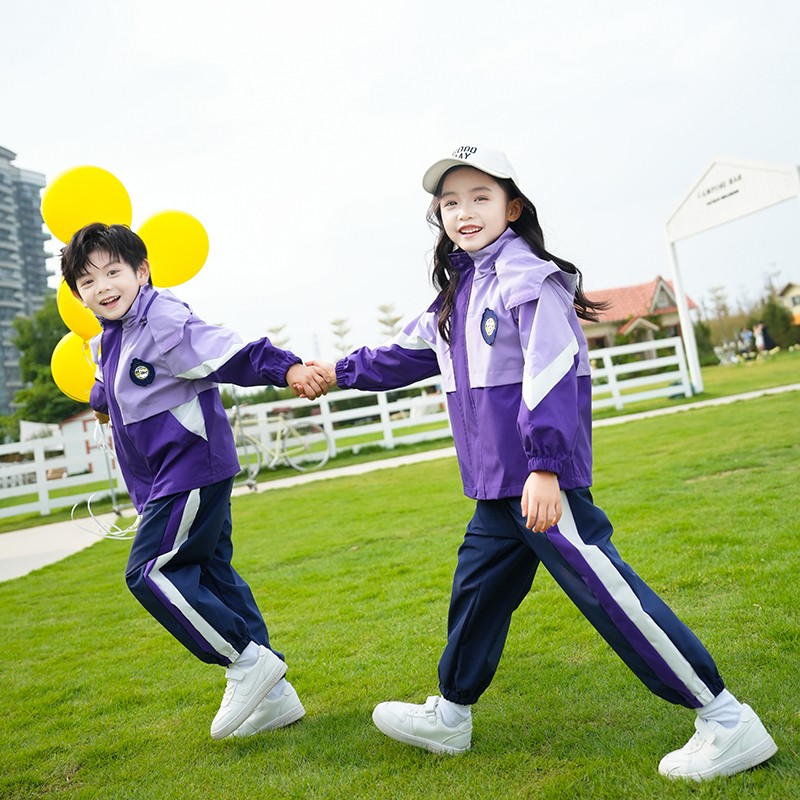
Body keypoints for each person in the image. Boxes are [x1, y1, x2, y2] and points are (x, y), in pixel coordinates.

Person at [308, 147, 777, 780]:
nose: (464, 212)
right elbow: (402, 353)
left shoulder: (528, 278)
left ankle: (726, 720)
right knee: (476, 595)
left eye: (480, 198)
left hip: (536, 481)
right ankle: (451, 713)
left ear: (512, 206)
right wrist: (333, 372)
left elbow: (553, 372)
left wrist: (546, 467)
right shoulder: (460, 291)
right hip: (497, 488)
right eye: (450, 202)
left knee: (608, 593)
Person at [61, 223, 330, 740]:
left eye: (113, 271)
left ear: (141, 271)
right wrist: (100, 400)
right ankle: (275, 698)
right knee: (210, 574)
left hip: (189, 469)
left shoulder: (162, 319)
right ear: (78, 294)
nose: (103, 286)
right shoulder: (110, 336)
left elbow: (227, 351)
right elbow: (114, 390)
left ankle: (246, 662)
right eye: (88, 281)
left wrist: (289, 368)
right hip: (165, 479)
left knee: (150, 572)